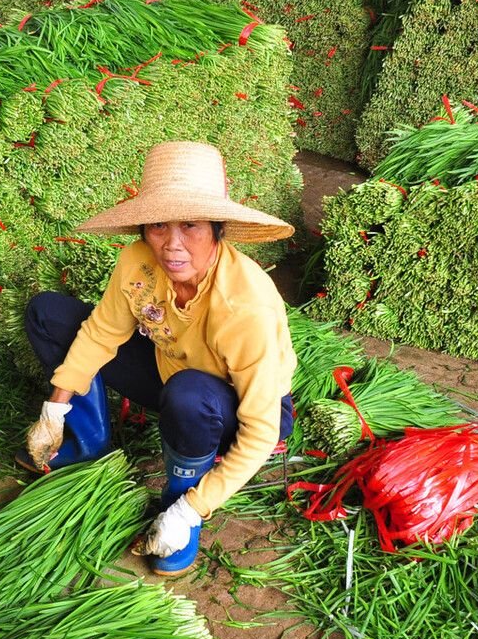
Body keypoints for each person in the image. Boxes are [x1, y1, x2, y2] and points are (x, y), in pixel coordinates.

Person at [17, 141, 296, 576]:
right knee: (49, 314)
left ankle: (177, 504)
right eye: (158, 226)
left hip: (235, 410)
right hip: (172, 371)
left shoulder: (244, 307)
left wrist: (190, 509)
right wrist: (55, 408)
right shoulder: (138, 262)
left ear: (218, 229)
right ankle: (87, 443)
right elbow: (102, 332)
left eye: (190, 225)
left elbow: (261, 432)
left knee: (191, 396)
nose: (172, 244)